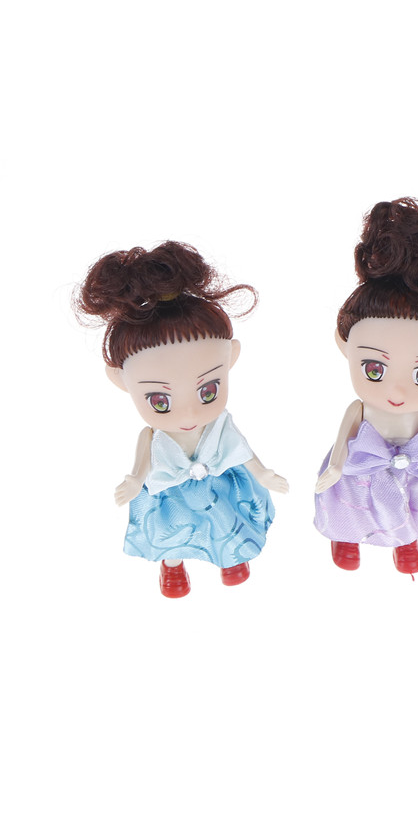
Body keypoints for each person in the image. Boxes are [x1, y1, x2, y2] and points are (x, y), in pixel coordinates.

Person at [76, 241, 288, 598]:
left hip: (220, 485)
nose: (189, 414)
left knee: (227, 521)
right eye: (160, 401)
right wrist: (134, 480)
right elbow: (142, 463)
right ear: (120, 381)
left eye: (208, 391)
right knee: (171, 533)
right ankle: (172, 565)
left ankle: (231, 556)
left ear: (231, 358)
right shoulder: (152, 436)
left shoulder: (220, 426)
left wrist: (263, 473)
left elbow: (241, 449)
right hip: (170, 492)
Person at [314, 198, 418, 575]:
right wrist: (335, 466)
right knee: (349, 508)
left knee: (411, 508)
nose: (398, 392)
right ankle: (346, 537)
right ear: (344, 345)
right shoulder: (360, 409)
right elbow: (343, 438)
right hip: (359, 469)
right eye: (374, 368)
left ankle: (405, 540)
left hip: (411, 474)